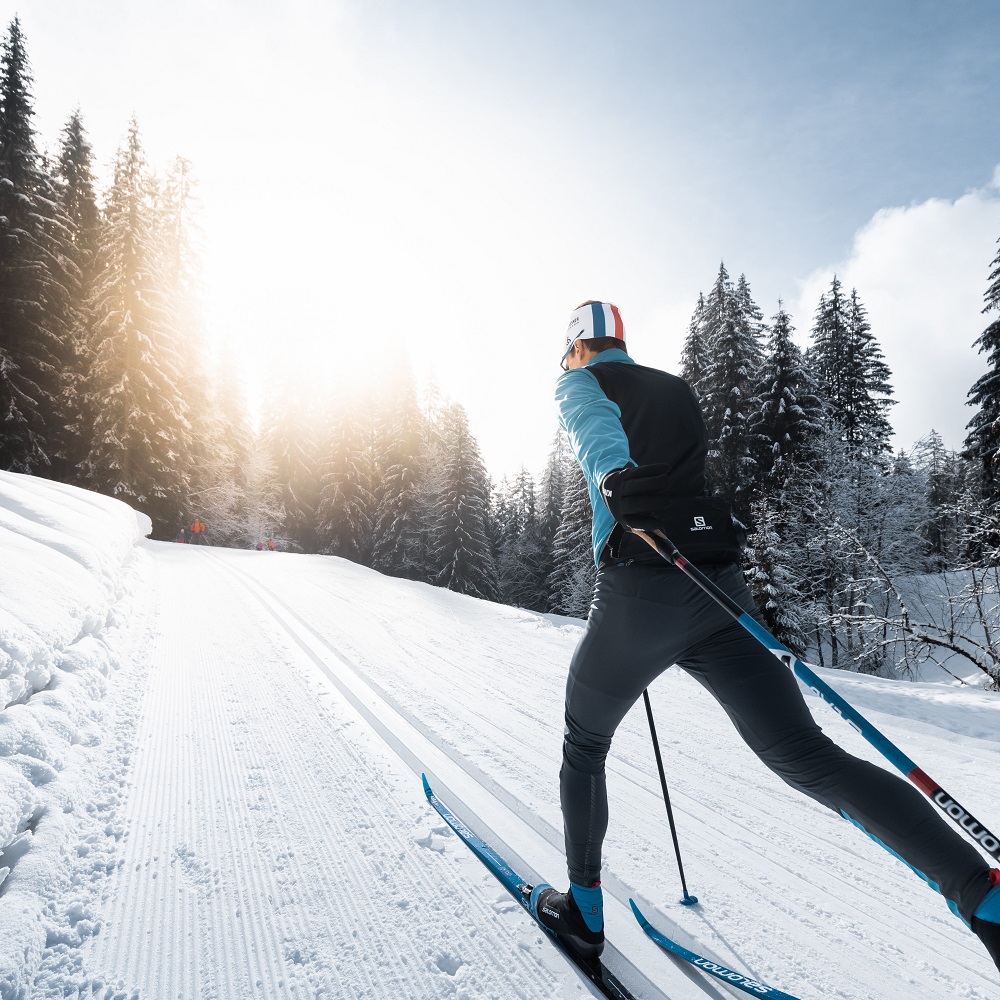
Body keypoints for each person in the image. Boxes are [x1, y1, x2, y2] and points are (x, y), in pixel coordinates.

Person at [528, 299, 1000, 973]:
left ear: (577, 348)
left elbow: (592, 429)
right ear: (621, 341)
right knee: (807, 754)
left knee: (585, 742)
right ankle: (984, 899)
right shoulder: (674, 387)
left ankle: (582, 913)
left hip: (641, 594)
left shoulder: (578, 382)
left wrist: (613, 476)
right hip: (719, 591)